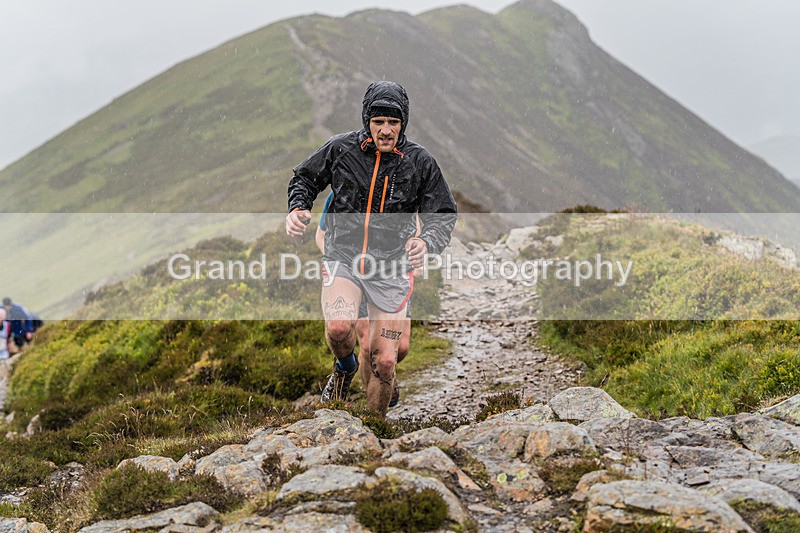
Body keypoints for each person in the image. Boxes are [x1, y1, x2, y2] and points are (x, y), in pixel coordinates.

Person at [286, 80, 457, 414]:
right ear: (367, 121)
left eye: (393, 122)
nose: (386, 130)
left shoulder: (420, 162)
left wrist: (427, 241)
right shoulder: (340, 150)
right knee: (338, 328)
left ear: (403, 123)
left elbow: (443, 215)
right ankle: (345, 367)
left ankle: (375, 428)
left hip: (392, 267)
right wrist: (297, 208)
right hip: (344, 257)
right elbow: (304, 178)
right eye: (378, 122)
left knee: (387, 360)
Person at [315, 191, 414, 408]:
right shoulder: (341, 190)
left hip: (391, 277)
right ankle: (370, 413)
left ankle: (387, 374)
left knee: (401, 348)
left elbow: (417, 236)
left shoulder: (402, 191)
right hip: (354, 276)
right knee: (368, 346)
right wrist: (340, 263)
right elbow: (321, 235)